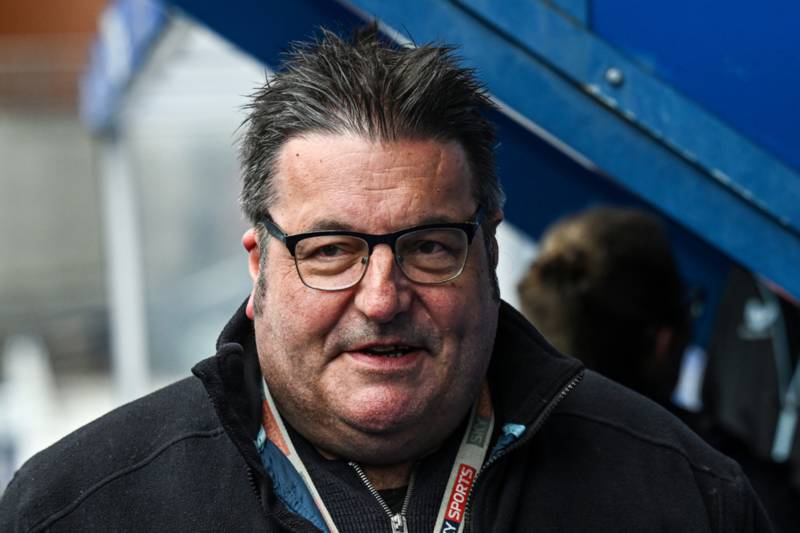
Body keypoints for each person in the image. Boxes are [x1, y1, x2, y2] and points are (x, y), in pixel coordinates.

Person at [1, 27, 772, 532]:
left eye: (429, 247)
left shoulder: (683, 495)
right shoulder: (79, 509)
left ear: (489, 251)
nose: (381, 297)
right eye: (331, 250)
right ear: (259, 264)